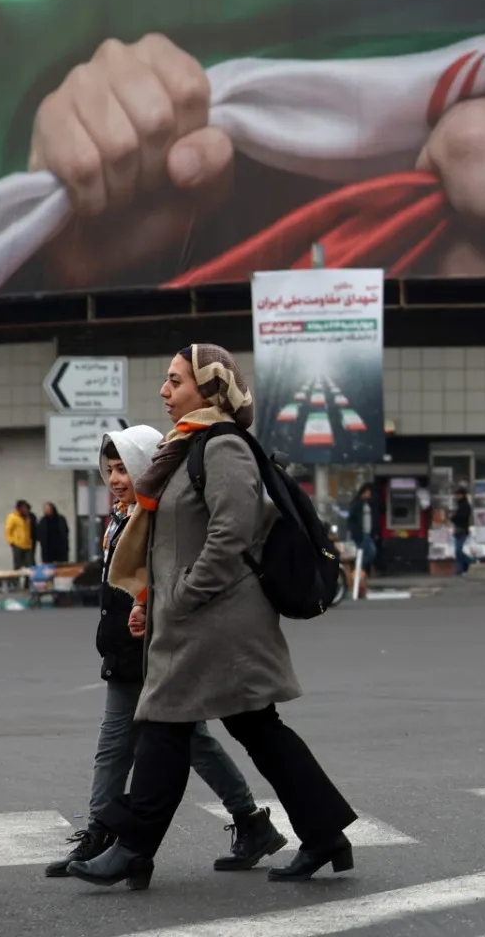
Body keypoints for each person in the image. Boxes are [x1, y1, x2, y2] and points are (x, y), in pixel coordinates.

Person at [69, 345, 356, 890]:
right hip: (197, 619)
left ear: (210, 389)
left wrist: (179, 597)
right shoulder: (184, 449)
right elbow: (176, 542)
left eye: (175, 381)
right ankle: (323, 834)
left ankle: (132, 848)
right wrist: (154, 602)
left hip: (218, 621)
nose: (164, 392)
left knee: (166, 726)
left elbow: (232, 533)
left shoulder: (222, 446)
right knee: (248, 729)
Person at [44, 425, 283, 879]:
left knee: (116, 742)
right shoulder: (122, 515)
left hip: (153, 643)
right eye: (110, 469)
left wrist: (145, 613)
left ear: (147, 468)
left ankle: (102, 834)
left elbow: (170, 574)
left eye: (125, 469)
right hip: (127, 645)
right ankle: (251, 822)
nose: (115, 478)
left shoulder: (156, 516)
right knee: (192, 742)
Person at [346, 485, 377, 582]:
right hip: (361, 533)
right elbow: (351, 520)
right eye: (368, 492)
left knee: (370, 552)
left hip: (367, 532)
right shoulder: (356, 504)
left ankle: (360, 569)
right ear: (363, 493)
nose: (369, 494)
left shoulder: (367, 504)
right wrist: (355, 532)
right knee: (368, 552)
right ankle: (359, 569)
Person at [37, 502, 72, 566]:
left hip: (60, 549)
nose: (47, 511)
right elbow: (39, 533)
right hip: (47, 550)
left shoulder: (61, 519)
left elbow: (65, 532)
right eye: (46, 509)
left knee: (61, 566)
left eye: (49, 509)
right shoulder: (43, 520)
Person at [6, 501, 35, 571]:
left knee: (31, 565)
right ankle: (15, 581)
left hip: (27, 545)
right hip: (17, 545)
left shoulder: (28, 518)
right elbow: (8, 531)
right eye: (24, 508)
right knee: (18, 566)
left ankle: (28, 581)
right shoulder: (12, 517)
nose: (26, 510)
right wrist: (11, 542)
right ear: (19, 508)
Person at [451, 488, 474, 576]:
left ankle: (471, 563)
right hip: (458, 530)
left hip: (462, 530)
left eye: (458, 495)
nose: (456, 496)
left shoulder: (464, 505)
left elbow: (462, 518)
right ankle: (460, 569)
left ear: (462, 495)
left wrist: (453, 517)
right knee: (458, 550)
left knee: (458, 550)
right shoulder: (459, 505)